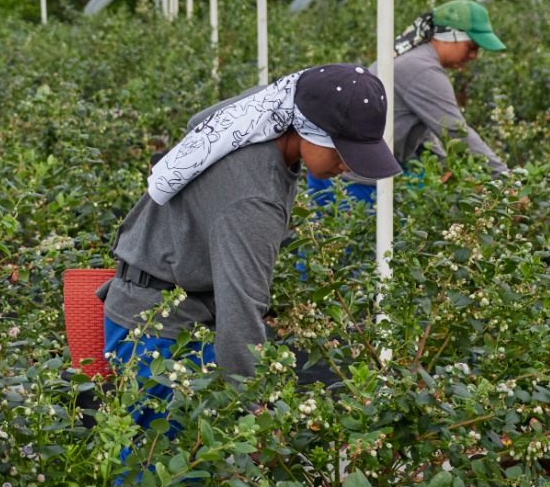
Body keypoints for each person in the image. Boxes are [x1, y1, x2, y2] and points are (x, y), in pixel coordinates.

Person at [98, 64, 402, 396]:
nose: (349, 165)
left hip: (154, 307)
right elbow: (240, 309)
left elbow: (197, 120)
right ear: (307, 129)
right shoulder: (255, 196)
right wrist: (251, 409)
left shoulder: (259, 115)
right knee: (158, 447)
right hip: (158, 335)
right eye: (344, 151)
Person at [308, 0, 509, 209]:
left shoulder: (406, 56)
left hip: (328, 168)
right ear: (450, 36)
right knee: (375, 241)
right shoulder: (423, 70)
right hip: (355, 181)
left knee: (323, 238)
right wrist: (505, 180)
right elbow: (455, 131)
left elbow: (422, 130)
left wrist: (445, 167)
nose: (474, 56)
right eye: (472, 46)